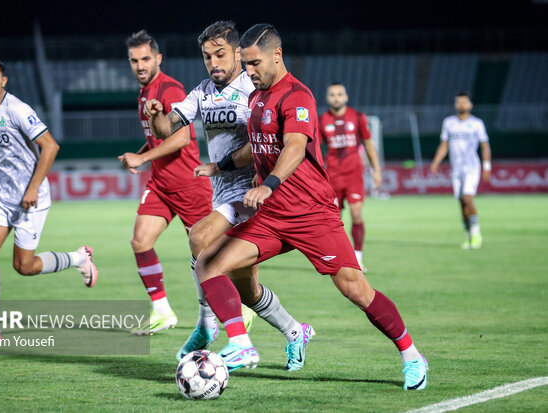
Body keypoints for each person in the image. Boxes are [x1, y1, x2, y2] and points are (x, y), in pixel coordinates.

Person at [194, 24, 428, 390]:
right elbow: (256, 148)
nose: (249, 71)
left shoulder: (297, 96)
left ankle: (412, 355)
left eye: (254, 64)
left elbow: (294, 146)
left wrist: (269, 185)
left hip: (311, 213)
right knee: (209, 263)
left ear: (276, 55)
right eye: (246, 64)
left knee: (356, 289)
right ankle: (240, 343)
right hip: (272, 217)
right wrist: (220, 166)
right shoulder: (257, 97)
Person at [144, 21, 308, 367]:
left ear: (237, 53)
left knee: (199, 237)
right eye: (207, 57)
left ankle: (213, 328)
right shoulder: (202, 92)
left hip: (254, 192)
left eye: (220, 55)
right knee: (246, 290)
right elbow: (167, 128)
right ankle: (295, 331)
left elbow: (265, 142)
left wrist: (222, 164)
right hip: (223, 195)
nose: (213, 63)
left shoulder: (255, 89)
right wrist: (157, 116)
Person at [0, 57, 98, 341]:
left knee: (24, 267)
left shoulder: (18, 109)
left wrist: (33, 187)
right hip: (3, 196)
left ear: (3, 81)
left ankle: (80, 257)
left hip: (33, 197)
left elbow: (50, 146)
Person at [119, 30, 213, 334]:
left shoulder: (169, 89)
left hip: (188, 183)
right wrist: (142, 153)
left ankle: (238, 307)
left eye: (145, 58)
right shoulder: (145, 92)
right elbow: (158, 136)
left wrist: (142, 159)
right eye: (134, 60)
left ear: (158, 58)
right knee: (140, 241)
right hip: (161, 184)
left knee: (209, 254)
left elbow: (183, 136)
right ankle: (162, 311)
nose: (140, 65)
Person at [319, 84, 381, 272]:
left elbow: (369, 144)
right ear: (328, 98)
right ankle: (340, 257)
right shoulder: (322, 120)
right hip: (333, 177)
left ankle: (358, 256)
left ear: (346, 97)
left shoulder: (358, 117)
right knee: (334, 219)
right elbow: (315, 149)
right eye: (332, 95)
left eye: (339, 94)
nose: (336, 98)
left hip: (354, 174)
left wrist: (377, 170)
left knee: (356, 214)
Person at [431, 92, 491, 249]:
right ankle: (468, 235)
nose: (461, 105)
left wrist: (487, 166)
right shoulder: (449, 123)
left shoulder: (477, 123)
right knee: (461, 202)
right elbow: (444, 144)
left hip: (471, 167)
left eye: (464, 102)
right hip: (456, 168)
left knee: (468, 197)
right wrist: (436, 161)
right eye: (459, 102)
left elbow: (485, 146)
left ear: (470, 105)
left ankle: (477, 234)